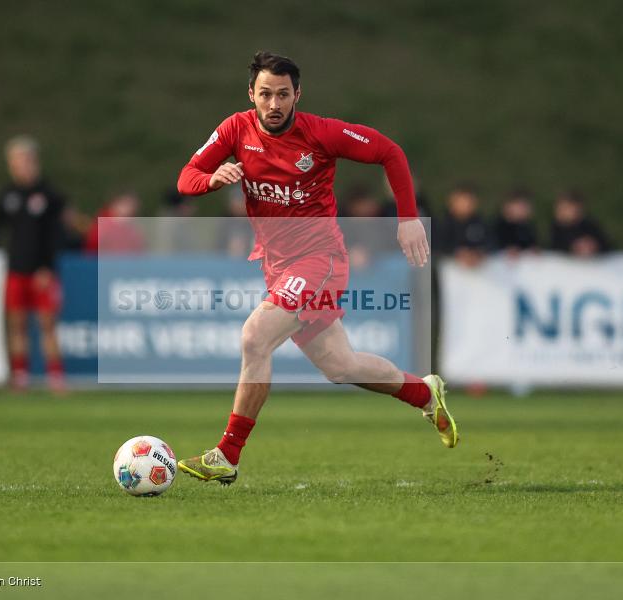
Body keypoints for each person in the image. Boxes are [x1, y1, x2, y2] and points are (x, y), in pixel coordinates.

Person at [174, 51, 458, 485]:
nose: (273, 104)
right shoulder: (235, 128)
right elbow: (187, 176)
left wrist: (407, 219)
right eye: (265, 94)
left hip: (319, 260)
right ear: (251, 94)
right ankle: (424, 392)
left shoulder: (321, 134)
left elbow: (390, 153)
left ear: (297, 95)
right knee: (340, 366)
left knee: (255, 337)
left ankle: (227, 454)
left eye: (283, 94)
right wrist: (210, 180)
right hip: (277, 265)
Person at [0, 135, 73, 392]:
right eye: (15, 162)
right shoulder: (8, 195)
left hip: (42, 272)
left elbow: (57, 236)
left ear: (34, 161)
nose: (20, 166)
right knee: (16, 325)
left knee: (47, 325)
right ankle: (20, 376)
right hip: (16, 270)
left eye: (24, 160)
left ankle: (56, 377)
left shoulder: (49, 195)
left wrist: (48, 267)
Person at [436, 184, 492, 268]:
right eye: (462, 201)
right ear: (452, 203)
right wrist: (458, 253)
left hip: (478, 266)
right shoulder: (444, 224)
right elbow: (440, 246)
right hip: (453, 267)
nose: (466, 205)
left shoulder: (479, 222)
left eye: (469, 201)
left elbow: (489, 241)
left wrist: (479, 253)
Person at [550, 190, 612, 257]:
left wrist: (593, 245)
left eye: (567, 209)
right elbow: (555, 249)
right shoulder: (556, 228)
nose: (561, 212)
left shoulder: (589, 226)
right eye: (560, 209)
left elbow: (607, 245)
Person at [84, 189, 146, 254]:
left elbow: (139, 248)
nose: (130, 209)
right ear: (116, 203)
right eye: (126, 204)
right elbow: (92, 248)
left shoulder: (132, 227)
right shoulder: (103, 224)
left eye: (133, 206)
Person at [494, 188, 539, 257]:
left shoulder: (528, 228)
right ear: (508, 206)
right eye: (521, 205)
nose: (525, 209)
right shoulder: (497, 227)